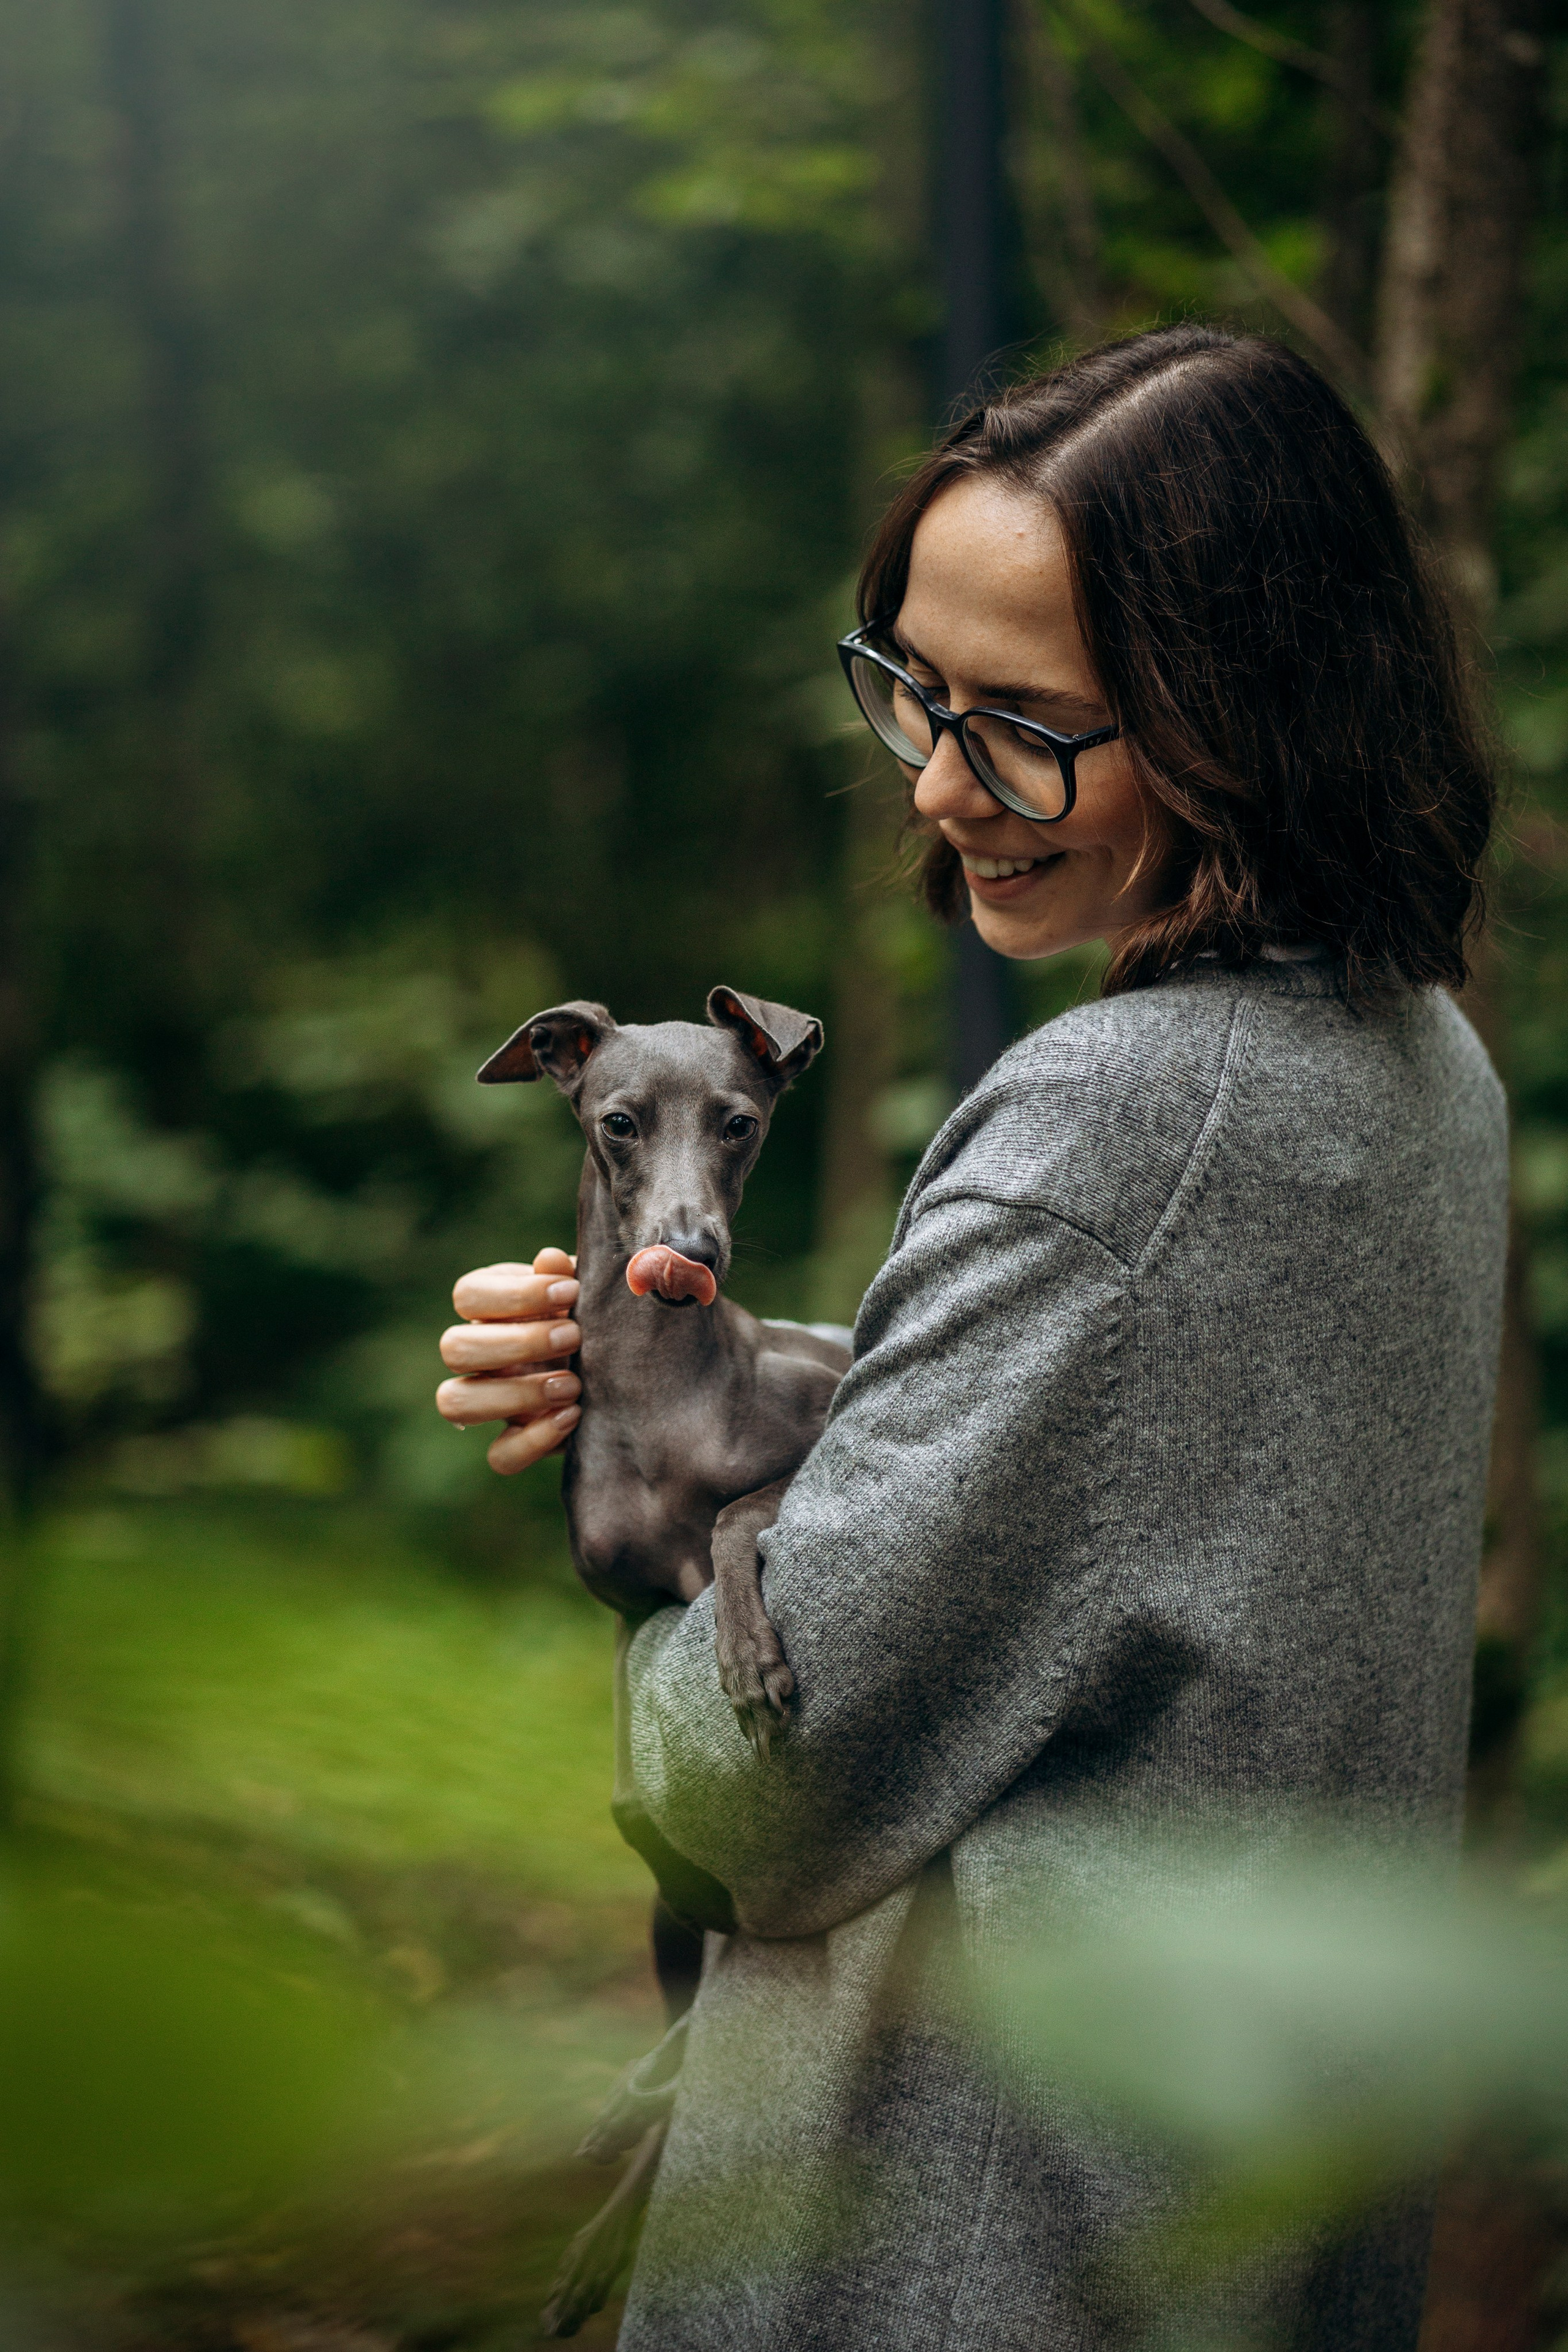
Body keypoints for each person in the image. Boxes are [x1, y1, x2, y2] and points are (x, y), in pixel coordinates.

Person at [435, 325, 1507, 2350]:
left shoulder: (1111, 1125)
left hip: (966, 2244)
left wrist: (645, 1532)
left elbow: (768, 1800)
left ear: (1247, 715)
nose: (939, 782)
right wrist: (679, 1388)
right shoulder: (1417, 1060)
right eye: (916, 689)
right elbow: (1136, 1471)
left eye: (1025, 724)